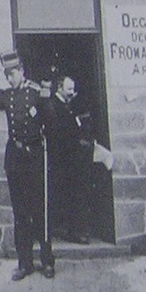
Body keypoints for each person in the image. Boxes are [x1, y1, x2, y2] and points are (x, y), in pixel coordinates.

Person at [0, 50, 53, 280]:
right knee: (21, 213)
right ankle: (25, 263)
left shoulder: (37, 93)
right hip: (16, 160)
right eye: (7, 75)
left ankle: (47, 261)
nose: (10, 79)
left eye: (13, 74)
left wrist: (46, 98)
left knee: (40, 211)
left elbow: (51, 120)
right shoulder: (7, 96)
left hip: (35, 158)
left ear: (22, 72)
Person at [45, 75, 94, 243]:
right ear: (59, 88)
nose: (73, 92)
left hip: (72, 159)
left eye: (73, 88)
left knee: (74, 195)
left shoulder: (67, 105)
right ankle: (71, 232)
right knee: (67, 196)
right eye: (69, 89)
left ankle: (75, 231)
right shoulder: (53, 105)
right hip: (62, 160)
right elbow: (58, 133)